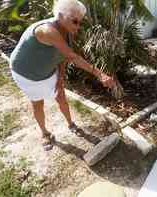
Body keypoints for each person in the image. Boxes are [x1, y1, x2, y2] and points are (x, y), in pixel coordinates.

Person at [9, 0, 115, 151]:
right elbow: (72, 56)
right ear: (60, 15)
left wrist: (60, 79)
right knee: (37, 103)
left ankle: (71, 124)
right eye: (75, 21)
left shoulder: (66, 31)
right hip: (27, 73)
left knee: (61, 96)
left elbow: (62, 57)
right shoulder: (48, 30)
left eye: (80, 22)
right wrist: (101, 75)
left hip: (49, 71)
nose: (78, 26)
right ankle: (45, 133)